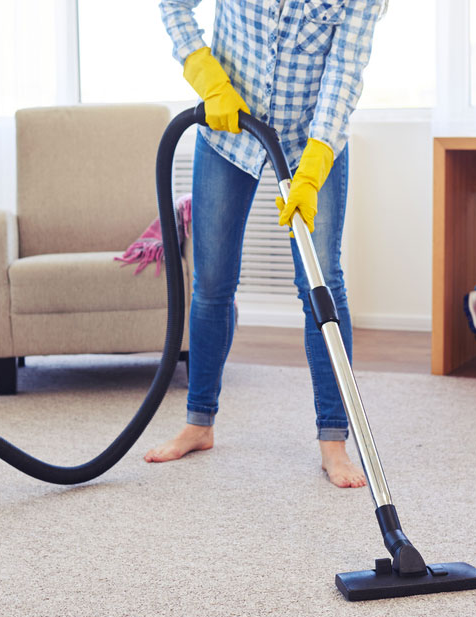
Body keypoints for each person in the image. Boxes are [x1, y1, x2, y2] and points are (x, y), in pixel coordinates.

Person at [145, 0, 385, 488]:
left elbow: (345, 68)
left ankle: (333, 442)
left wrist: (316, 163)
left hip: (312, 140)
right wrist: (205, 74)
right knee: (212, 282)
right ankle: (199, 423)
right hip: (227, 130)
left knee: (321, 283)